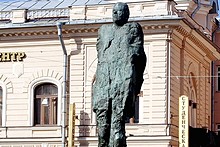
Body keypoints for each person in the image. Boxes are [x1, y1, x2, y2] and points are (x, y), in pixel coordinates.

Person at [92, 2, 146, 147]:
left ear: (127, 14)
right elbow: (100, 55)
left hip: (122, 81)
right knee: (102, 129)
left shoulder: (133, 28)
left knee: (117, 130)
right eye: (114, 11)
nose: (117, 14)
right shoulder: (103, 30)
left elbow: (139, 55)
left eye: (121, 11)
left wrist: (135, 81)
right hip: (104, 81)